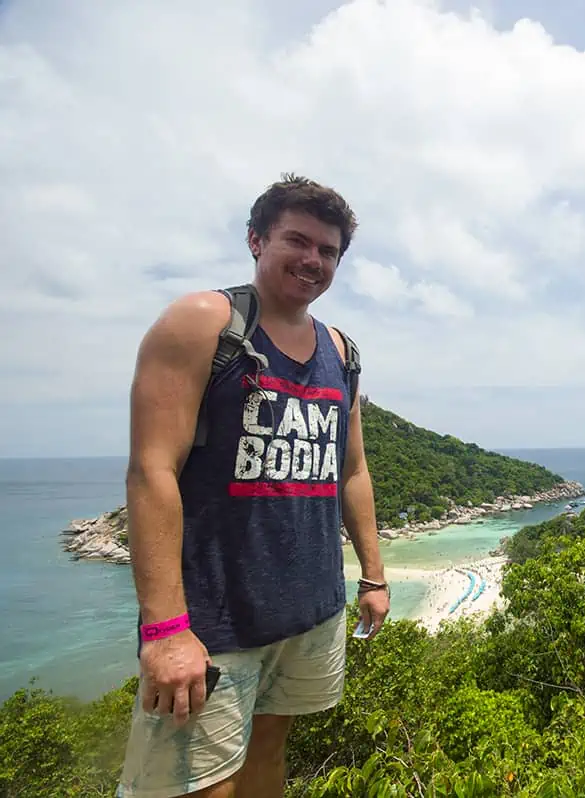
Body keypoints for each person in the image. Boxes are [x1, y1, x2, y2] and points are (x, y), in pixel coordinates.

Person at [116, 174, 390, 798]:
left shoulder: (341, 350)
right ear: (256, 240)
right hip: (214, 619)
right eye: (297, 240)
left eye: (328, 251)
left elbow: (352, 472)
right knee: (199, 783)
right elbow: (151, 470)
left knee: (268, 756)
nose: (312, 260)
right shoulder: (202, 324)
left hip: (310, 609)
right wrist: (164, 629)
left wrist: (373, 576)